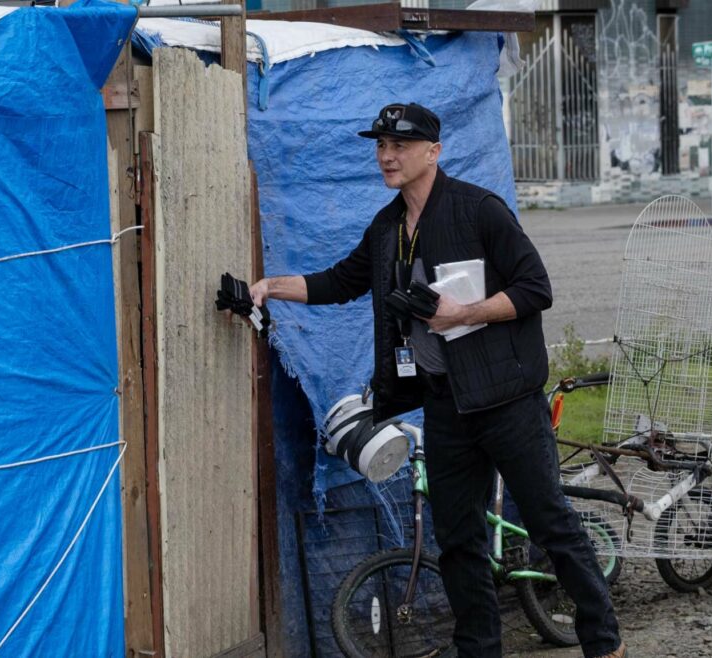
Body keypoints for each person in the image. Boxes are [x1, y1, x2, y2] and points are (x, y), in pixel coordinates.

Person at [249, 103, 626, 658]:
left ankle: (603, 642)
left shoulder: (479, 210)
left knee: (551, 524)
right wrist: (269, 287)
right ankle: (478, 650)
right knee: (458, 542)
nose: (386, 156)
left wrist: (464, 313)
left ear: (434, 151)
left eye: (399, 145)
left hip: (508, 401)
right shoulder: (386, 228)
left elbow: (536, 288)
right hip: (446, 405)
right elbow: (340, 281)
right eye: (380, 145)